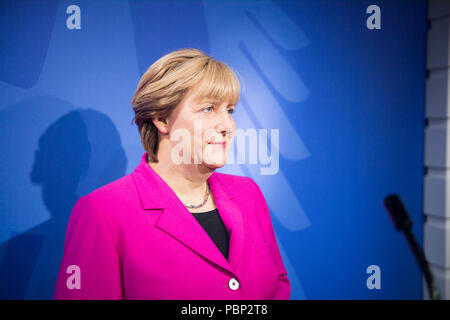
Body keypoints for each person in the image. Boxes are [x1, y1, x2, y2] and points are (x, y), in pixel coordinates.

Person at [54, 48, 291, 299]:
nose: (227, 126)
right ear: (161, 118)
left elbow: (278, 285)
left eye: (230, 110)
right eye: (209, 108)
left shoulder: (247, 193)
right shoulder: (103, 210)